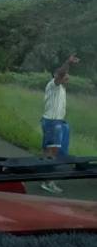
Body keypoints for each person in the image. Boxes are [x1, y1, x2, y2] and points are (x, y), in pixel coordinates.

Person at [40, 54, 80, 194]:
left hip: (53, 122)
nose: (67, 77)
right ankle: (48, 182)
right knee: (53, 152)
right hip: (52, 123)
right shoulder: (54, 85)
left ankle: (43, 177)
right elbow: (62, 72)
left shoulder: (61, 88)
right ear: (58, 76)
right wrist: (67, 62)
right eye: (65, 75)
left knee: (48, 152)